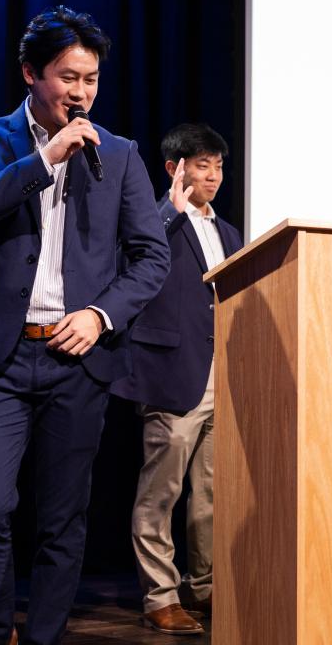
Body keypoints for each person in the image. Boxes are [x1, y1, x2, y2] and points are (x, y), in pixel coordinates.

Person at [0, 5, 170, 645]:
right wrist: (45, 161)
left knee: (62, 519)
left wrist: (101, 316)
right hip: (1, 356)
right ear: (30, 73)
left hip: (79, 361)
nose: (81, 93)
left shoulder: (120, 155)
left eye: (91, 80)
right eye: (69, 77)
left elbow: (150, 256)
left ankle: (42, 637)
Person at [112, 124, 242, 636]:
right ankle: (159, 596)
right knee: (160, 493)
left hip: (222, 378)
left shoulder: (228, 232)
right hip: (171, 373)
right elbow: (126, 265)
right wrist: (168, 212)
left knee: (210, 493)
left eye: (218, 166)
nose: (213, 176)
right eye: (202, 165)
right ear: (174, 169)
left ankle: (204, 586)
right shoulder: (151, 221)